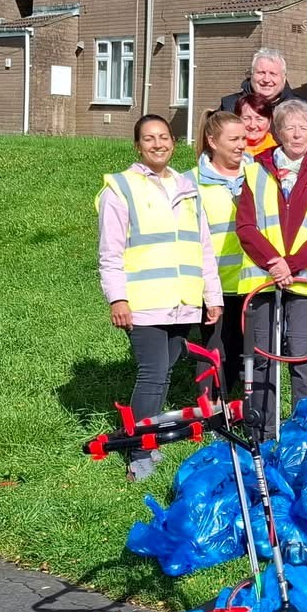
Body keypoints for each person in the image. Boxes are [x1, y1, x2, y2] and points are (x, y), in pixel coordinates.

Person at [96, 113, 223, 480]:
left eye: (164, 137)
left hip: (182, 301)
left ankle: (144, 436)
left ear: (173, 141)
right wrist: (117, 299)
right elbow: (110, 252)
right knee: (152, 373)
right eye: (149, 138)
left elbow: (203, 248)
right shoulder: (120, 189)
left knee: (164, 373)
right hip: (143, 303)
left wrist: (210, 296)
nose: (158, 144)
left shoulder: (186, 186)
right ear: (138, 145)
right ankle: (137, 450)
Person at [236, 99, 307, 432]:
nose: (297, 134)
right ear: (278, 131)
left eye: (304, 128)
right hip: (263, 281)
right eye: (290, 127)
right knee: (262, 360)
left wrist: (292, 265)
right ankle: (263, 432)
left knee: (302, 359)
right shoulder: (254, 172)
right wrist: (273, 263)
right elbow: (247, 226)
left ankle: (304, 434)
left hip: (306, 283)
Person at [192, 109, 251, 396]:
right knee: (214, 354)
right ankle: (210, 415)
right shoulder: (191, 182)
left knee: (248, 357)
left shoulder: (259, 175)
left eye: (244, 138)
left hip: (253, 283)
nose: (242, 144)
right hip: (214, 286)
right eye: (234, 139)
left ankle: (244, 413)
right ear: (212, 141)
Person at [216, 47, 307, 166]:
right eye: (261, 73)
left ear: (284, 77)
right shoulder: (230, 107)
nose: (266, 79)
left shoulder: (304, 110)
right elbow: (211, 148)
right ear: (251, 75)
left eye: (273, 74)